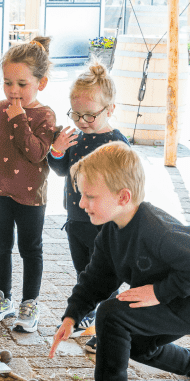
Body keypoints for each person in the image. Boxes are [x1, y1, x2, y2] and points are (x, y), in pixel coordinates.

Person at [49, 142, 190, 381]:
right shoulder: (110, 231)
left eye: (90, 196)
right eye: (82, 195)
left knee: (112, 314)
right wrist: (71, 316)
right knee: (139, 346)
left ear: (123, 196)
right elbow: (96, 279)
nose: (82, 204)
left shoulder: (158, 229)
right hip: (175, 300)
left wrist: (158, 292)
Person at [48, 61, 130, 353]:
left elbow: (128, 183)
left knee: (106, 278)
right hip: (76, 220)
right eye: (76, 114)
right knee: (84, 273)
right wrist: (57, 149)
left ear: (110, 110)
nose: (82, 121)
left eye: (90, 115)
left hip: (105, 225)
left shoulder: (117, 142)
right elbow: (60, 169)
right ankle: (89, 313)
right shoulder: (76, 138)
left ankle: (108, 328)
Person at [0, 38, 55, 332]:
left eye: (22, 84)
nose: (13, 91)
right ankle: (2, 297)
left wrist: (20, 118)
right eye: (8, 82)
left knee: (30, 248)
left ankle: (30, 302)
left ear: (41, 83)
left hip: (30, 196)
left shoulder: (44, 115)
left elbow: (35, 153)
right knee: (0, 246)